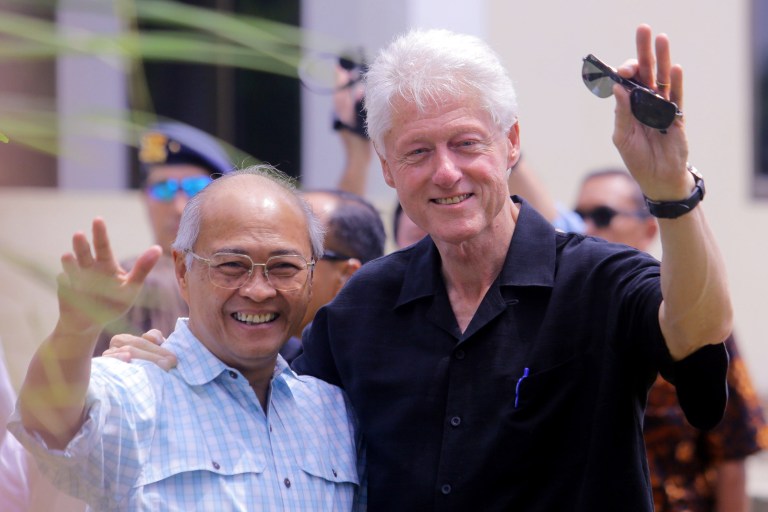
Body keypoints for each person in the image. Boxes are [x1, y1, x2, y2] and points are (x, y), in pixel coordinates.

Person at [110, 25, 733, 511]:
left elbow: (699, 329)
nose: (446, 172)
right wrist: (167, 367)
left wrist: (670, 190)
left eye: (466, 143)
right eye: (417, 152)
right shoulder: (363, 307)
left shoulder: (599, 280)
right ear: (386, 167)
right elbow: (271, 408)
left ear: (511, 143)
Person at [8, 167, 361, 510]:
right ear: (182, 270)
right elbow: (47, 424)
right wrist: (76, 331)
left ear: (311, 275)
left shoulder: (333, 413)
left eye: (283, 267)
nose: (258, 290)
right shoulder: (134, 393)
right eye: (232, 265)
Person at [574, 168, 768, 512]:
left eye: (602, 216)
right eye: (579, 216)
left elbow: (733, 449)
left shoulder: (687, 317)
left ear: (649, 229)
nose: (587, 228)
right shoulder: (571, 312)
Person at [92, 121, 235, 356]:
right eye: (163, 189)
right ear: (144, 198)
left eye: (195, 188)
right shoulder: (131, 282)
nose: (179, 207)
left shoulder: (246, 277)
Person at [279, 189, 386, 363]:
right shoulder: (252, 360)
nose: (258, 287)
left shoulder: (370, 369)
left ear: (348, 277)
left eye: (286, 263)